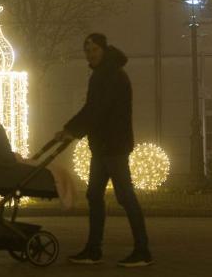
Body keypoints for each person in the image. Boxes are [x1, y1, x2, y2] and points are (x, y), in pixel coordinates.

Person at [55, 33, 152, 267]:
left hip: (114, 146)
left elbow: (97, 110)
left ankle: (142, 251)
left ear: (104, 50)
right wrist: (69, 129)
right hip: (102, 147)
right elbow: (91, 108)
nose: (91, 55)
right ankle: (93, 249)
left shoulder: (111, 76)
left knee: (125, 196)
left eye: (95, 50)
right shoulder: (103, 74)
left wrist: (72, 130)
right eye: (87, 51)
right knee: (95, 195)